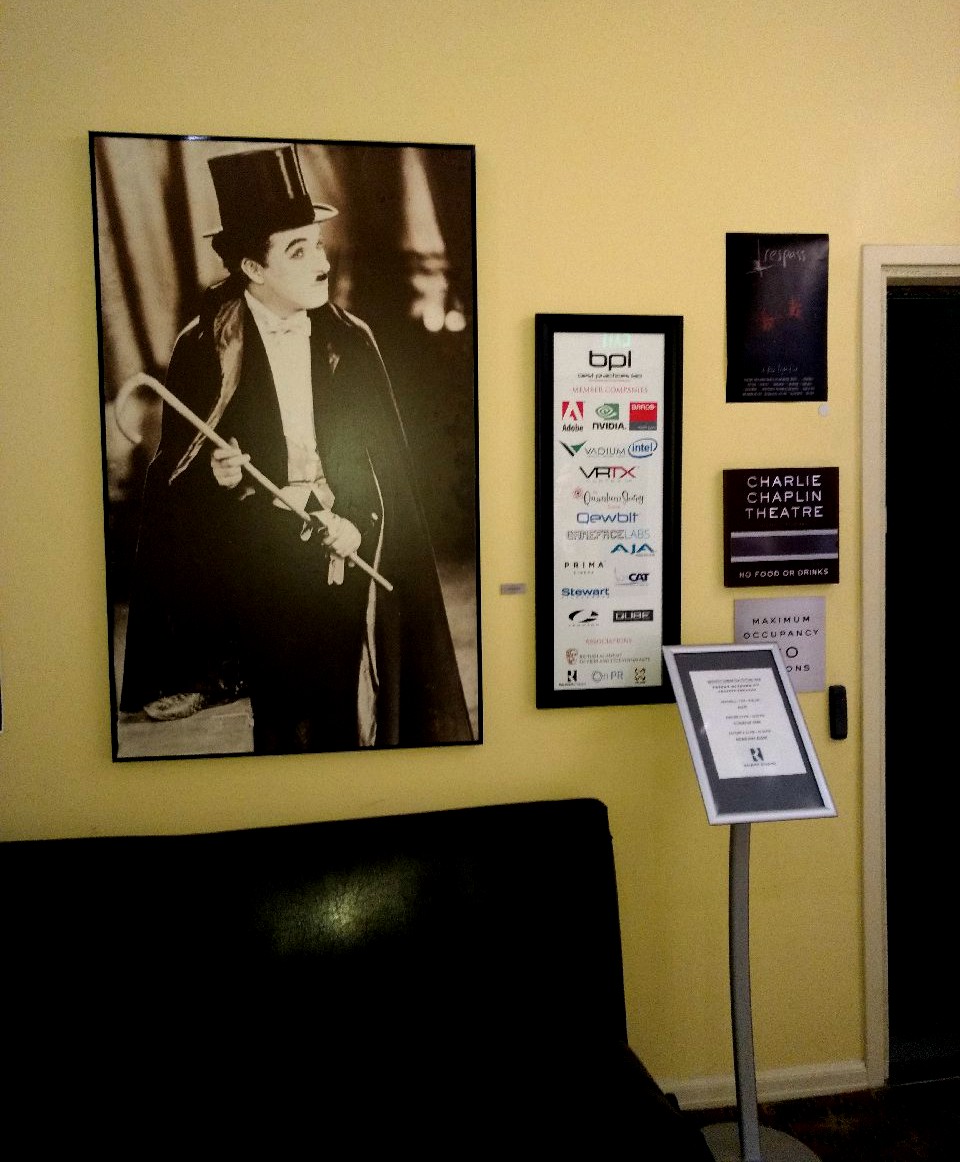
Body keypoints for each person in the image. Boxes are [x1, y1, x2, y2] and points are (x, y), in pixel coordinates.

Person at [119, 143, 473, 754]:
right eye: (298, 250)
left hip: (344, 548)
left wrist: (356, 524)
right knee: (282, 719)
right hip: (259, 565)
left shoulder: (351, 342)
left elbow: (384, 466)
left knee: (343, 705)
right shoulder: (205, 347)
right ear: (252, 268)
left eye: (319, 245)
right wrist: (220, 478)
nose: (322, 264)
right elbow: (175, 485)